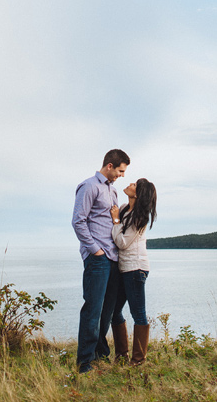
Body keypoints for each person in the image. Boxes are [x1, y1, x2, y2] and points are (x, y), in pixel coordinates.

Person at [71, 149, 131, 373]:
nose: (122, 175)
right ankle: (84, 361)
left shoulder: (113, 192)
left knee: (108, 310)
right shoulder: (88, 186)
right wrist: (95, 250)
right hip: (98, 258)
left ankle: (99, 353)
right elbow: (78, 221)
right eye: (120, 171)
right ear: (109, 166)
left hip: (114, 258)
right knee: (93, 308)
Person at [109, 177, 157, 366]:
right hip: (124, 268)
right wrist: (117, 219)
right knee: (115, 311)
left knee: (138, 313)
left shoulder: (139, 218)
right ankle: (122, 356)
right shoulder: (123, 209)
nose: (130, 184)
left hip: (136, 269)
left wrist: (115, 221)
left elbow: (121, 242)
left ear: (137, 194)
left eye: (134, 185)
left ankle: (138, 360)